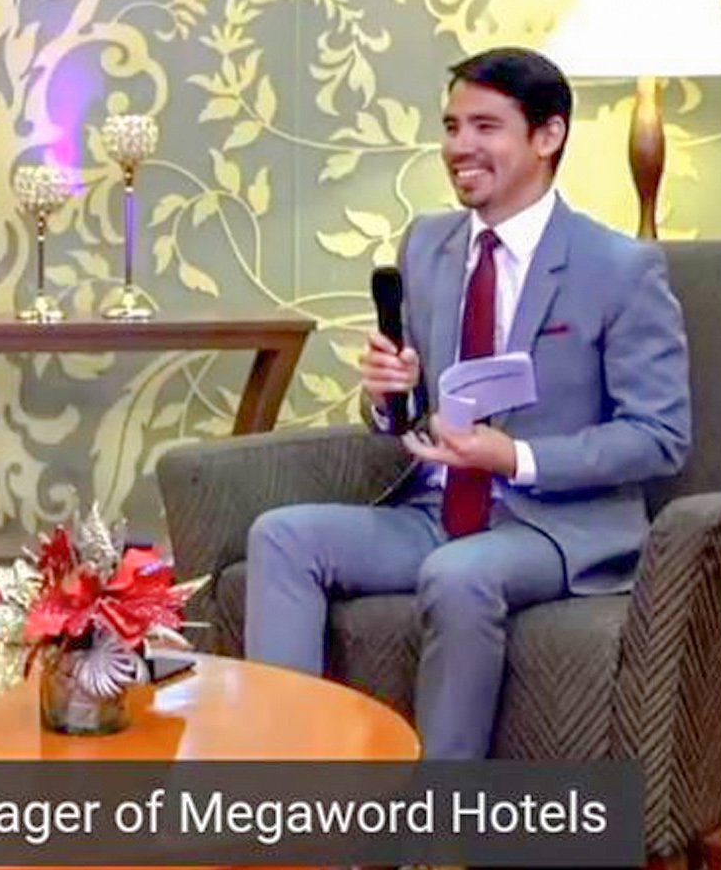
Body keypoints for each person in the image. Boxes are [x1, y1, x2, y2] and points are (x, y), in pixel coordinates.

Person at [243, 46, 691, 759]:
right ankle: (289, 786)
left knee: (459, 575)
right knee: (282, 536)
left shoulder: (619, 267)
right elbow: (411, 414)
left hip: (554, 526)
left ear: (548, 136)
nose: (460, 147)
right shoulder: (428, 245)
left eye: (485, 127)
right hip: (436, 509)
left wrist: (514, 457)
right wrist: (388, 396)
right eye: (452, 127)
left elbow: (659, 436)